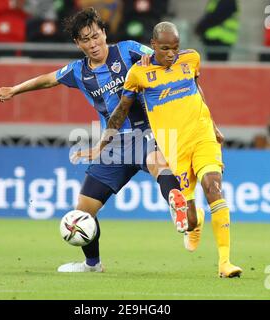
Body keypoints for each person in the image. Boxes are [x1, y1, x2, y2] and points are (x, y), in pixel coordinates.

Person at [0, 8, 200, 273]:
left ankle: (177, 203)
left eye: (95, 36)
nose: (93, 44)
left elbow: (164, 58)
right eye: (85, 40)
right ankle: (92, 264)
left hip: (147, 131)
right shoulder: (78, 71)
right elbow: (48, 80)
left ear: (104, 33)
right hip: (114, 145)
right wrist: (14, 89)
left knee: (157, 162)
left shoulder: (128, 51)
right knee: (82, 211)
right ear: (77, 43)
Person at [88, 21, 242, 278]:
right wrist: (101, 144)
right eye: (166, 49)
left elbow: (197, 90)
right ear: (153, 46)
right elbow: (121, 111)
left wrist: (213, 126)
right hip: (174, 147)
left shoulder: (191, 58)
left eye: (175, 48)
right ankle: (197, 221)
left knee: (213, 187)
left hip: (202, 136)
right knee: (189, 221)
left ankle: (225, 263)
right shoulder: (138, 73)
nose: (171, 54)